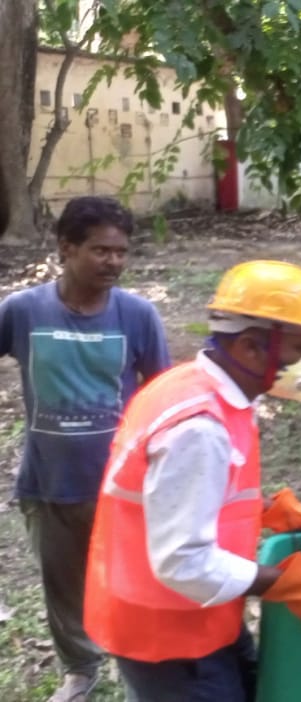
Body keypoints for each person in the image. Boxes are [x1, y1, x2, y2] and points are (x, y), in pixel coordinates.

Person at [83, 260, 301, 702]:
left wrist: (263, 511)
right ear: (250, 347)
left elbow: (170, 496)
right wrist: (286, 582)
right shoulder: (199, 428)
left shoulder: (194, 384)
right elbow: (183, 562)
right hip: (168, 630)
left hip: (195, 612)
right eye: (299, 348)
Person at [0, 196, 171, 702]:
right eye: (100, 250)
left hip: (120, 484)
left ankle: (143, 669)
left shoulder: (137, 314)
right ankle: (80, 671)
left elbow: (161, 394)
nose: (114, 262)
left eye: (121, 252)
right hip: (48, 481)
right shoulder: (24, 310)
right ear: (66, 249)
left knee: (131, 582)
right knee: (63, 587)